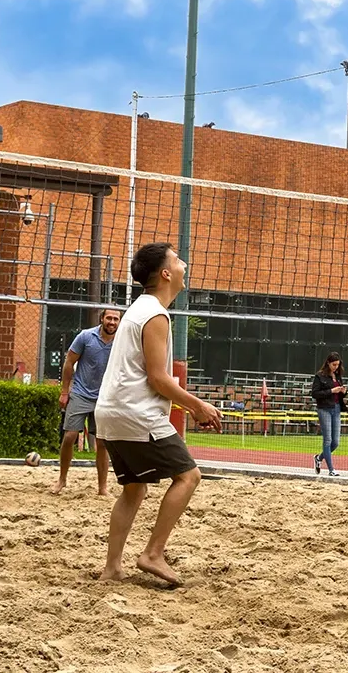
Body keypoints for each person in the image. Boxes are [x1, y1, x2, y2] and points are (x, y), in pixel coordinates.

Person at [93, 243, 223, 586]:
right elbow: (158, 378)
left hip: (110, 413)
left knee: (134, 489)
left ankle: (112, 568)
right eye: (177, 260)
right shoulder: (154, 314)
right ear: (166, 273)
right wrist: (198, 405)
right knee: (188, 477)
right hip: (135, 414)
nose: (183, 264)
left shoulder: (139, 308)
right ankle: (153, 553)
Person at [52, 308, 120, 496]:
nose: (112, 322)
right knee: (69, 437)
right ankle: (62, 480)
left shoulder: (122, 341)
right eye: (109, 318)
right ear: (102, 319)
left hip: (105, 397)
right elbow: (68, 363)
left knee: (103, 443)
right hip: (81, 393)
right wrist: (65, 391)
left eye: (116, 319)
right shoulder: (85, 337)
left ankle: (102, 487)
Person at [309, 351, 348, 476]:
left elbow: (341, 393)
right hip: (324, 408)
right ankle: (331, 469)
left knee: (335, 442)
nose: (336, 367)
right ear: (328, 363)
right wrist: (331, 391)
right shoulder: (320, 376)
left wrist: (343, 391)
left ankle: (319, 458)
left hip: (336, 408)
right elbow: (315, 394)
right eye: (334, 365)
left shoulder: (338, 376)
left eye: (337, 365)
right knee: (327, 440)